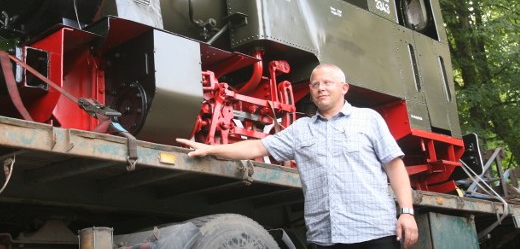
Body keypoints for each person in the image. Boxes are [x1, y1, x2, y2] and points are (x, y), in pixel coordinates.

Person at [177, 63, 419, 249]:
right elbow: (256, 148)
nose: (321, 88)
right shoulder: (301, 129)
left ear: (343, 88)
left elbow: (394, 166)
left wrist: (406, 213)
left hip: (373, 234)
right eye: (315, 84)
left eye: (327, 82)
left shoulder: (369, 119)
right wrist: (210, 148)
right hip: (325, 239)